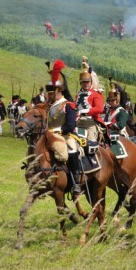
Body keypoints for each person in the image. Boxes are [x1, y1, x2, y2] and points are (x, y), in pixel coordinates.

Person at [45, 59, 81, 194]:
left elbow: (70, 125)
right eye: (48, 93)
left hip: (65, 135)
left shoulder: (68, 105)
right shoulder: (48, 106)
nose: (49, 95)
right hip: (50, 135)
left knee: (72, 150)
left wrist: (58, 130)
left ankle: (76, 182)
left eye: (51, 92)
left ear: (59, 91)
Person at [75, 59, 105, 142]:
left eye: (88, 82)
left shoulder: (96, 94)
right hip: (77, 123)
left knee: (90, 144)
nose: (86, 84)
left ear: (91, 81)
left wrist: (86, 111)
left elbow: (99, 108)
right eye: (84, 82)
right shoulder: (78, 94)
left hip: (90, 123)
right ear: (81, 83)